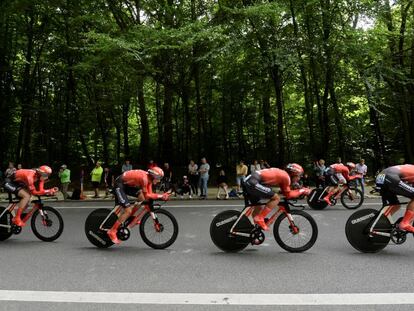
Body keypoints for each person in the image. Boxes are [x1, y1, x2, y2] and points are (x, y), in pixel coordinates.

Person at [107, 167, 170, 244]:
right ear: (153, 176)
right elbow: (148, 195)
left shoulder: (149, 179)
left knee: (142, 197)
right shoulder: (144, 179)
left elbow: (149, 195)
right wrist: (161, 196)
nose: (159, 180)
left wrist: (160, 196)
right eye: (158, 178)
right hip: (119, 184)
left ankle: (130, 218)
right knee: (128, 210)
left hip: (125, 184)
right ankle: (112, 231)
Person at [244, 164, 311, 231]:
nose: (299, 178)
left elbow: (285, 192)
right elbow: (288, 195)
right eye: (299, 176)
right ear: (294, 174)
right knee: (276, 198)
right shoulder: (286, 177)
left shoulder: (283, 174)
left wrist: (298, 190)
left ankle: (253, 230)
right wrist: (303, 190)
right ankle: (260, 218)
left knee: (258, 207)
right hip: (253, 182)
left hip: (250, 180)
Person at [375, 164, 414, 232]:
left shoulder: (410, 167)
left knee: (395, 205)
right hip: (391, 177)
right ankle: (404, 223)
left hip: (381, 177)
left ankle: (380, 222)